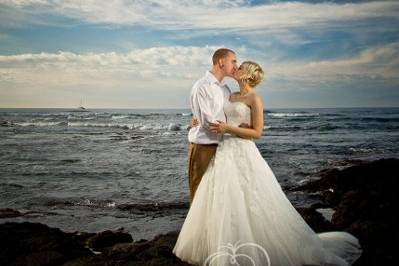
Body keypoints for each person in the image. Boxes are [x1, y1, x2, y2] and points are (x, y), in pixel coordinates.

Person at [173, 61, 363, 265]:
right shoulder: (229, 94)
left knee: (250, 196)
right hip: (223, 149)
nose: (236, 67)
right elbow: (211, 110)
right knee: (221, 195)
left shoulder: (254, 98)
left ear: (247, 75)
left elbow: (256, 132)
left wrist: (230, 128)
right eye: (236, 64)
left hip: (242, 151)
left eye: (241, 66)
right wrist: (196, 118)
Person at [187, 48, 249, 205]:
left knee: (218, 198)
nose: (236, 65)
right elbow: (209, 123)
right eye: (233, 61)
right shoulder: (202, 86)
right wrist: (233, 129)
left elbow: (227, 115)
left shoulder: (225, 89)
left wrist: (238, 126)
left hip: (224, 147)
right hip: (204, 147)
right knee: (199, 195)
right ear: (221, 62)